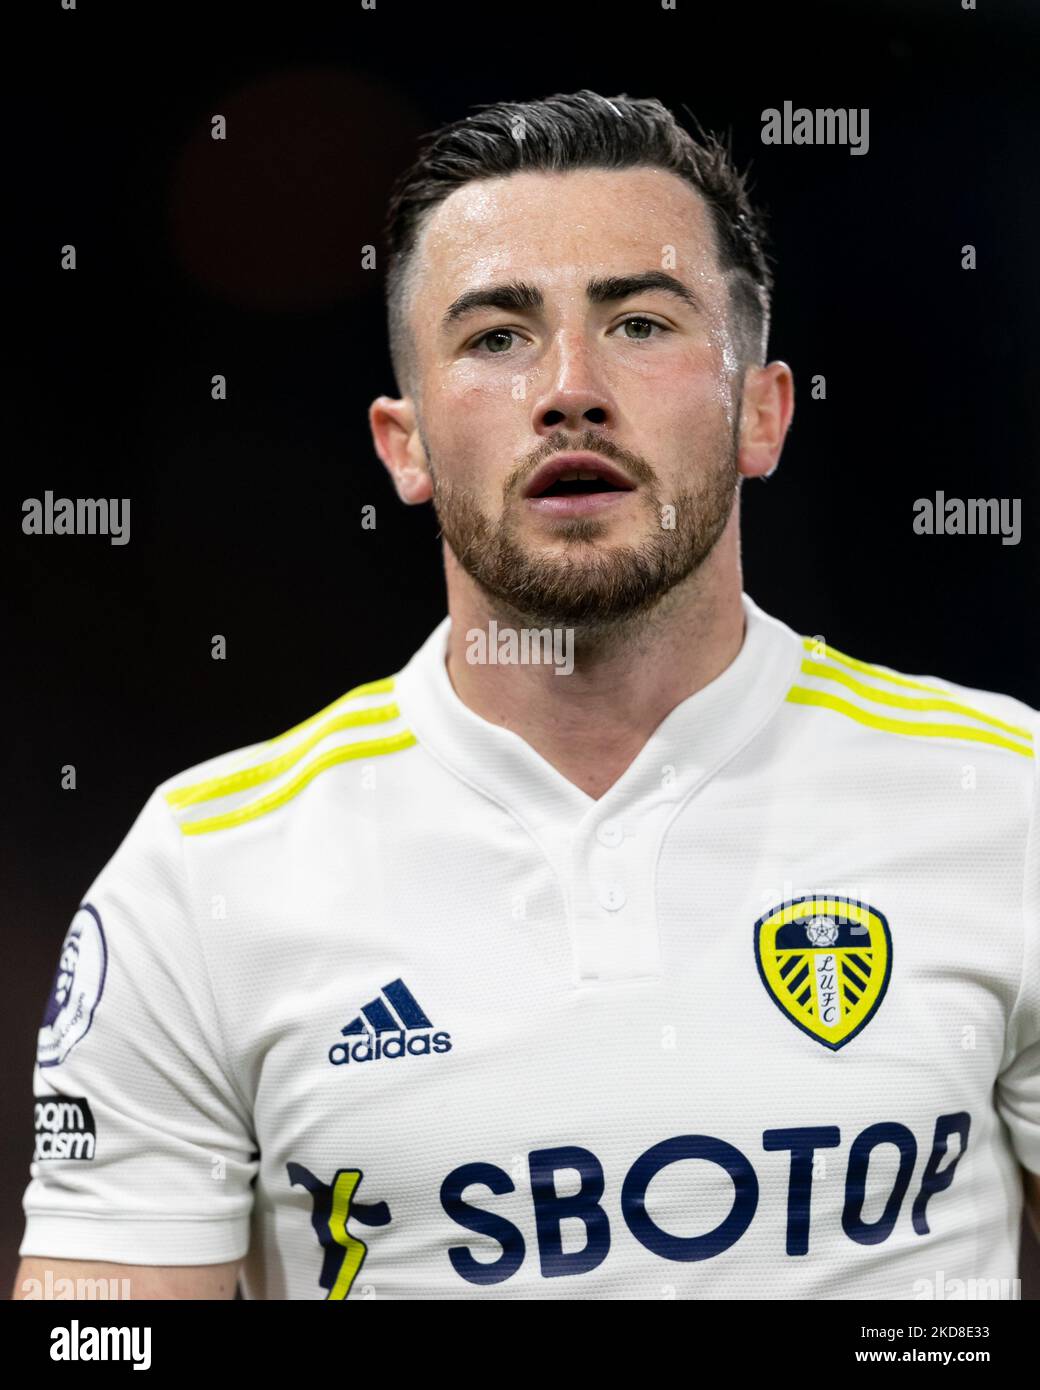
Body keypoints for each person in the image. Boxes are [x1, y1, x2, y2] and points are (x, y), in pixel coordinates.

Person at [14, 90, 1039, 1300]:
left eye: (642, 324)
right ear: (404, 445)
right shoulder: (206, 873)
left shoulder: (1003, 799)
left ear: (759, 413)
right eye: (497, 336)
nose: (569, 387)